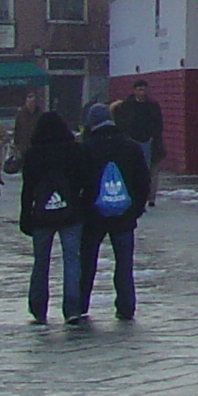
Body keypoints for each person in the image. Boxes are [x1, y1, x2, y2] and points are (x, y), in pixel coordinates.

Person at [72, 102, 153, 323]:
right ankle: (126, 307)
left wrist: (82, 208)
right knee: (124, 264)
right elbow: (143, 181)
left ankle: (80, 305)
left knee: (87, 263)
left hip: (93, 217)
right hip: (124, 216)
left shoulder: (85, 148)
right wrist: (135, 208)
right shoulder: (130, 147)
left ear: (91, 123)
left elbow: (76, 182)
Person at [17, 109, 89, 325]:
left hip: (41, 215)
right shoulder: (74, 151)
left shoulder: (33, 154)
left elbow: (27, 188)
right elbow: (84, 181)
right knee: (71, 260)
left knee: (41, 261)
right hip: (71, 213)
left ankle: (38, 308)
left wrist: (25, 215)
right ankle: (72, 307)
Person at [115, 80, 165, 170]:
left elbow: (158, 122)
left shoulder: (152, 105)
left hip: (147, 140)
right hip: (131, 139)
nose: (142, 93)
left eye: (144, 90)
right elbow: (120, 121)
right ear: (134, 91)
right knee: (131, 165)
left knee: (145, 166)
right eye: (139, 90)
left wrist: (152, 136)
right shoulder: (126, 105)